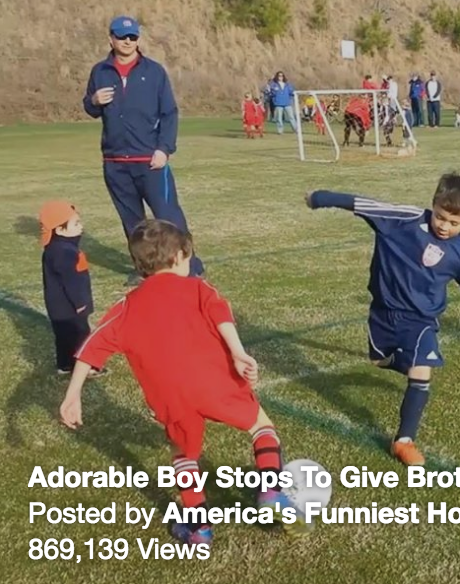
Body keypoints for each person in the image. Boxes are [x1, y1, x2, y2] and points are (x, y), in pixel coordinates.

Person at [59, 219, 305, 546]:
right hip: (216, 384)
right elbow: (220, 315)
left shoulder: (126, 307)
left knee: (183, 454)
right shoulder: (198, 288)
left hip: (170, 398)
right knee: (261, 427)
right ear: (178, 255)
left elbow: (92, 347)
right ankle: (271, 491)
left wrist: (73, 394)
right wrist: (238, 352)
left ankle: (199, 528)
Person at [304, 174, 460, 466]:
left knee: (421, 371)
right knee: (379, 361)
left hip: (422, 320)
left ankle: (404, 441)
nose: (445, 226)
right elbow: (364, 205)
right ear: (433, 205)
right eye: (441, 217)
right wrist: (321, 198)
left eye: (454, 222)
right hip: (383, 312)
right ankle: (404, 364)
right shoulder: (403, 219)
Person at [82, 15, 204, 282]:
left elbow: (169, 113)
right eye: (122, 36)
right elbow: (90, 109)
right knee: (133, 223)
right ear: (110, 39)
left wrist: (164, 149)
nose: (128, 41)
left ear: (138, 39)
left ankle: (191, 268)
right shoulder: (99, 71)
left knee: (169, 216)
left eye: (133, 37)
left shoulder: (154, 71)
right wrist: (93, 100)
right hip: (115, 162)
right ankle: (146, 271)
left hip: (150, 160)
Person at [40, 201, 104, 377]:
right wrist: (81, 303)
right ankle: (88, 366)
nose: (81, 226)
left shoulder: (55, 248)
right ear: (60, 230)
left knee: (64, 336)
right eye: (75, 224)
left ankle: (65, 364)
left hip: (58, 307)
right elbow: (72, 281)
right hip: (69, 306)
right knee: (81, 335)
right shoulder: (64, 252)